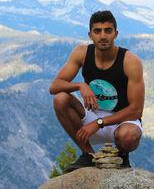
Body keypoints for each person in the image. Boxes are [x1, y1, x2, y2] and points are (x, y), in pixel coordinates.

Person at [49, 10, 145, 172]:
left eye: (108, 31)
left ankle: (121, 157)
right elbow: (55, 86)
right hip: (91, 116)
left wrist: (99, 123)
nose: (103, 36)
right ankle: (88, 156)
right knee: (60, 99)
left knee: (128, 136)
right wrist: (80, 85)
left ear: (115, 34)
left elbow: (136, 110)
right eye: (97, 31)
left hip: (122, 121)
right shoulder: (82, 53)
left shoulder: (130, 61)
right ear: (90, 35)